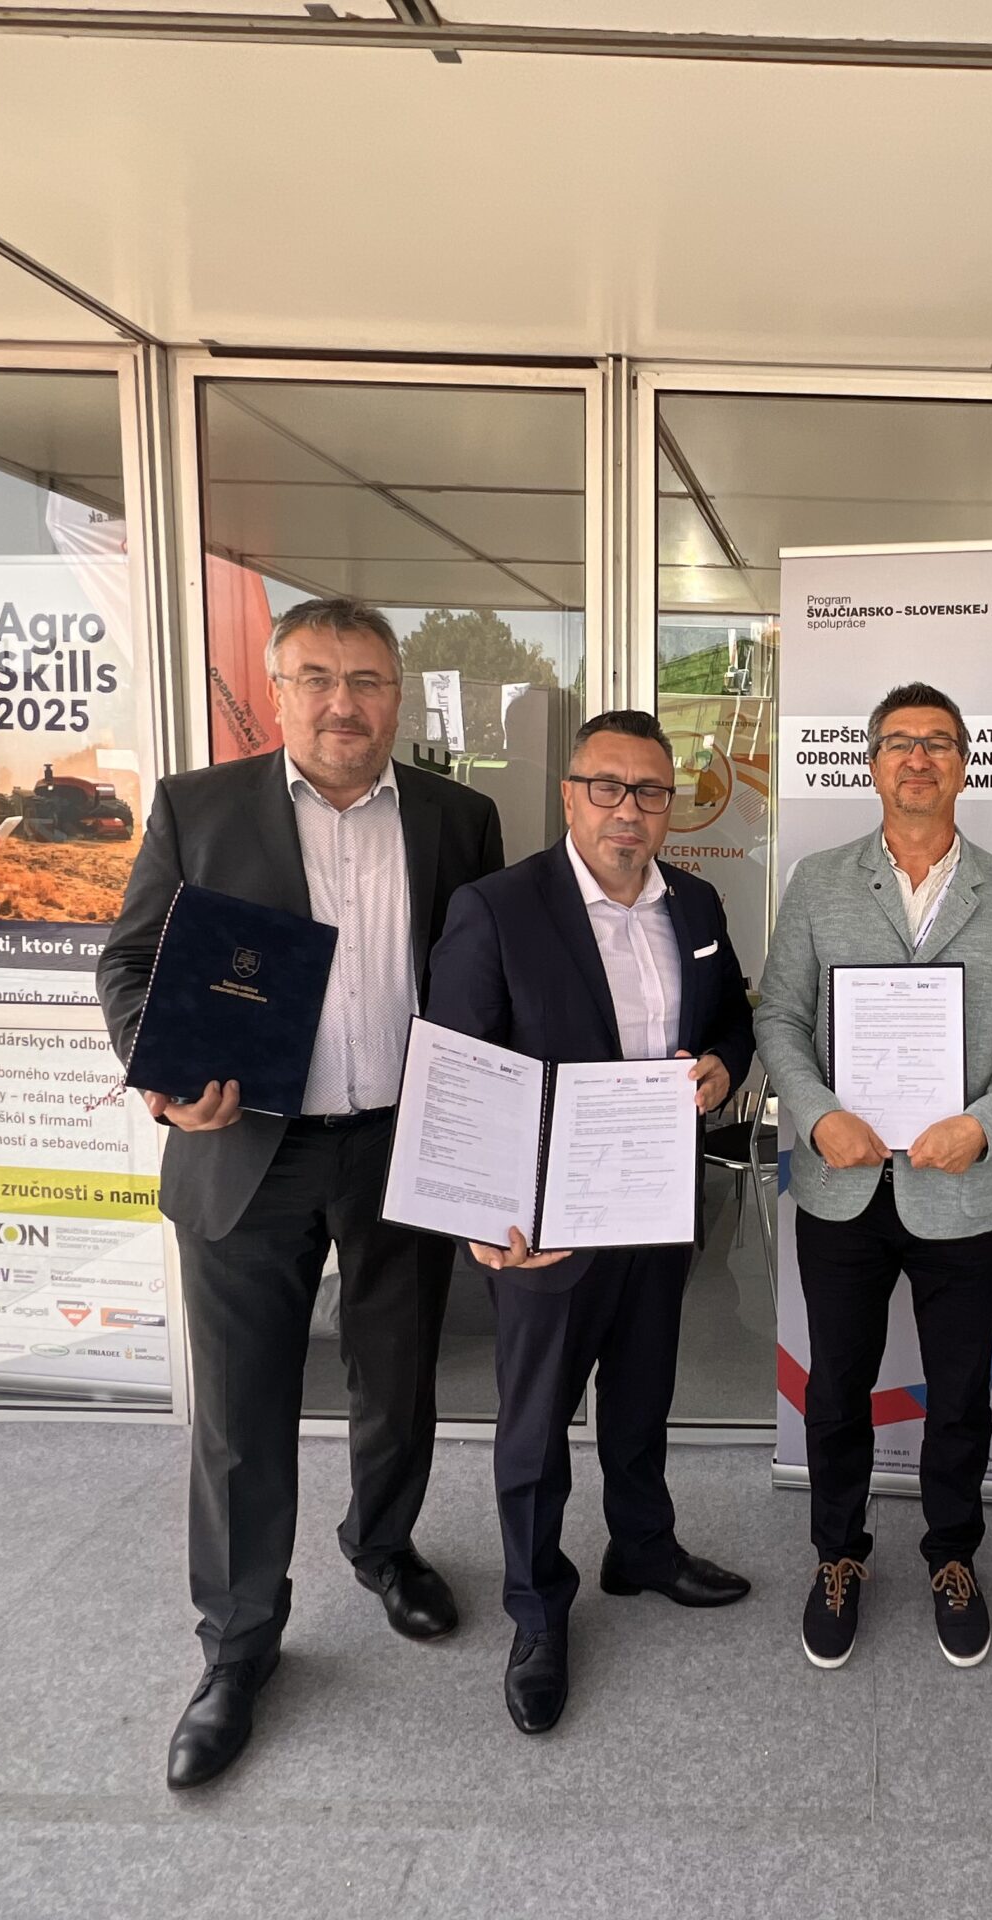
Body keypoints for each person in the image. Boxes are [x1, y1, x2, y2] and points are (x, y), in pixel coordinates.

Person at [98, 597, 503, 1790]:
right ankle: (237, 1646)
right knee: (241, 1408)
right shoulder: (199, 808)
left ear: (398, 695)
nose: (343, 703)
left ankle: (382, 1546)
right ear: (277, 693)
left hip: (401, 1147)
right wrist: (168, 1082)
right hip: (246, 1153)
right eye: (317, 678)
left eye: (367, 680)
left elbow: (485, 978)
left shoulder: (458, 817)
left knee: (399, 1377)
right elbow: (131, 961)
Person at [423, 708, 756, 1736]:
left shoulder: (695, 903)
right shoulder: (497, 907)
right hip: (545, 1220)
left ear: (670, 807)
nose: (628, 810)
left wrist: (723, 1065)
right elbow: (458, 1066)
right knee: (534, 1427)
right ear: (569, 797)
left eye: (649, 792)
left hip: (655, 1204)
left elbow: (730, 1020)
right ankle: (536, 1610)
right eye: (606, 787)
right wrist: (483, 1211)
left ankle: (641, 1548)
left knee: (643, 1395)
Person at [755, 681, 992, 1672]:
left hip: (960, 1189)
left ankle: (952, 1555)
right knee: (837, 1388)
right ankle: (838, 1555)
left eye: (937, 742)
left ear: (964, 764)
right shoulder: (819, 881)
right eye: (898, 742)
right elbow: (780, 1016)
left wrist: (984, 1125)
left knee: (960, 1394)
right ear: (872, 763)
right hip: (841, 1185)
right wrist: (817, 1113)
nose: (917, 758)